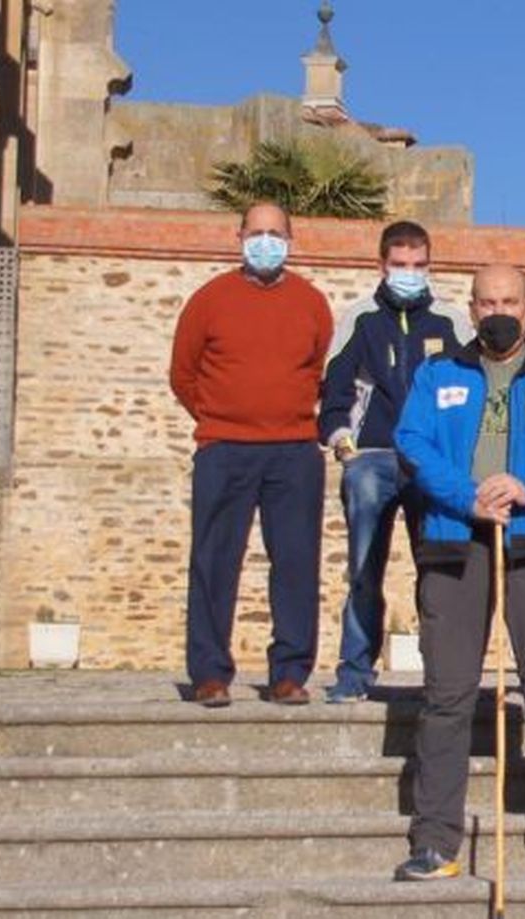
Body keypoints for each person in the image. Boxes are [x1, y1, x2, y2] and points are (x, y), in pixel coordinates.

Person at [391, 264, 525, 881]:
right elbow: (413, 441)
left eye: (510, 299)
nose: (499, 310)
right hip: (456, 542)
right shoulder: (439, 373)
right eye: (487, 301)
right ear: (473, 308)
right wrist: (467, 496)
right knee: (448, 694)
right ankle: (435, 840)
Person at [169, 201, 332, 708]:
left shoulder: (311, 302)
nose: (266, 241)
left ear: (291, 238)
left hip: (294, 451)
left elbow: (317, 367)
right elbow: (183, 373)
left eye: (275, 232)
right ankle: (210, 674)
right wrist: (219, 417)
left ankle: (288, 673)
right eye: (257, 232)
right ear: (238, 236)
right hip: (224, 449)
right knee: (214, 561)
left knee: (296, 563)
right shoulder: (209, 299)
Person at [319, 220, 470, 704]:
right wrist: (344, 445)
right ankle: (355, 671)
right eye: (400, 265)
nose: (409, 274)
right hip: (375, 457)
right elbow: (334, 388)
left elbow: (471, 392)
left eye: (419, 265)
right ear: (382, 266)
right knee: (364, 568)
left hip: (432, 462)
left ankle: (441, 676)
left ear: (430, 266)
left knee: (439, 570)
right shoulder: (360, 318)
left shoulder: (450, 322)